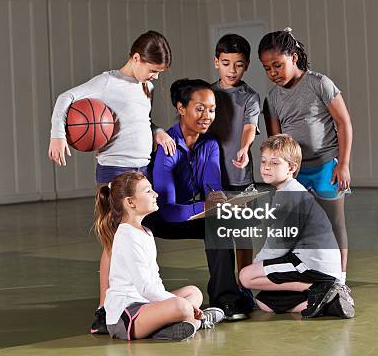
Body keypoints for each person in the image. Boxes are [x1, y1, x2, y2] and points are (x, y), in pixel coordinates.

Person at [47, 31, 177, 334]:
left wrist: (156, 131)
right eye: (153, 70)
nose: (155, 77)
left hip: (140, 169)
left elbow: (139, 119)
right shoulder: (108, 83)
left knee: (136, 241)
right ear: (135, 58)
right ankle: (104, 310)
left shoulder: (145, 86)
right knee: (113, 244)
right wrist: (58, 133)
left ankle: (135, 303)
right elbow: (65, 98)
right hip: (114, 172)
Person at [143, 79, 253, 321]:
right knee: (214, 215)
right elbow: (168, 210)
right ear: (181, 108)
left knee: (219, 223)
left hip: (190, 213)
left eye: (212, 109)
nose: (207, 116)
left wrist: (224, 202)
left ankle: (225, 300)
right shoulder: (167, 146)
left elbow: (213, 190)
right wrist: (207, 206)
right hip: (161, 218)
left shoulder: (210, 144)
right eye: (200, 108)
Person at [259, 27, 353, 284]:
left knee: (334, 222)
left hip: (325, 167)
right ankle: (298, 272)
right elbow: (277, 143)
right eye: (267, 68)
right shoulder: (273, 97)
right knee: (292, 224)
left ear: (294, 57)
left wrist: (342, 165)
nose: (273, 73)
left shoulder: (319, 84)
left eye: (277, 65)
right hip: (294, 173)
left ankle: (339, 278)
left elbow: (343, 124)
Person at [97, 171, 224, 341]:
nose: (155, 194)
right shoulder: (127, 236)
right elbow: (145, 289)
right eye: (148, 191)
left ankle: (179, 323)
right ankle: (197, 322)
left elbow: (154, 283)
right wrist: (181, 305)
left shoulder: (146, 232)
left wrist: (170, 303)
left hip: (147, 305)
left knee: (193, 292)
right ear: (130, 202)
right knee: (182, 306)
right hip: (126, 316)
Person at [238, 135, 354, 318]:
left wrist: (257, 264)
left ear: (291, 167)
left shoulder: (291, 195)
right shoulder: (287, 191)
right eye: (264, 161)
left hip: (313, 265)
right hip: (309, 263)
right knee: (265, 302)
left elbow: (279, 244)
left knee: (246, 277)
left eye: (275, 163)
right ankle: (330, 303)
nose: (266, 166)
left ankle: (323, 287)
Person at [210, 34, 261, 286]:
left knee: (242, 236)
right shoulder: (207, 94)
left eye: (239, 64)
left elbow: (249, 126)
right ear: (216, 61)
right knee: (219, 237)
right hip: (213, 180)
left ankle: (244, 285)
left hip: (240, 180)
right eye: (226, 62)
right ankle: (225, 286)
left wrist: (244, 147)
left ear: (246, 65)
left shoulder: (250, 97)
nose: (232, 69)